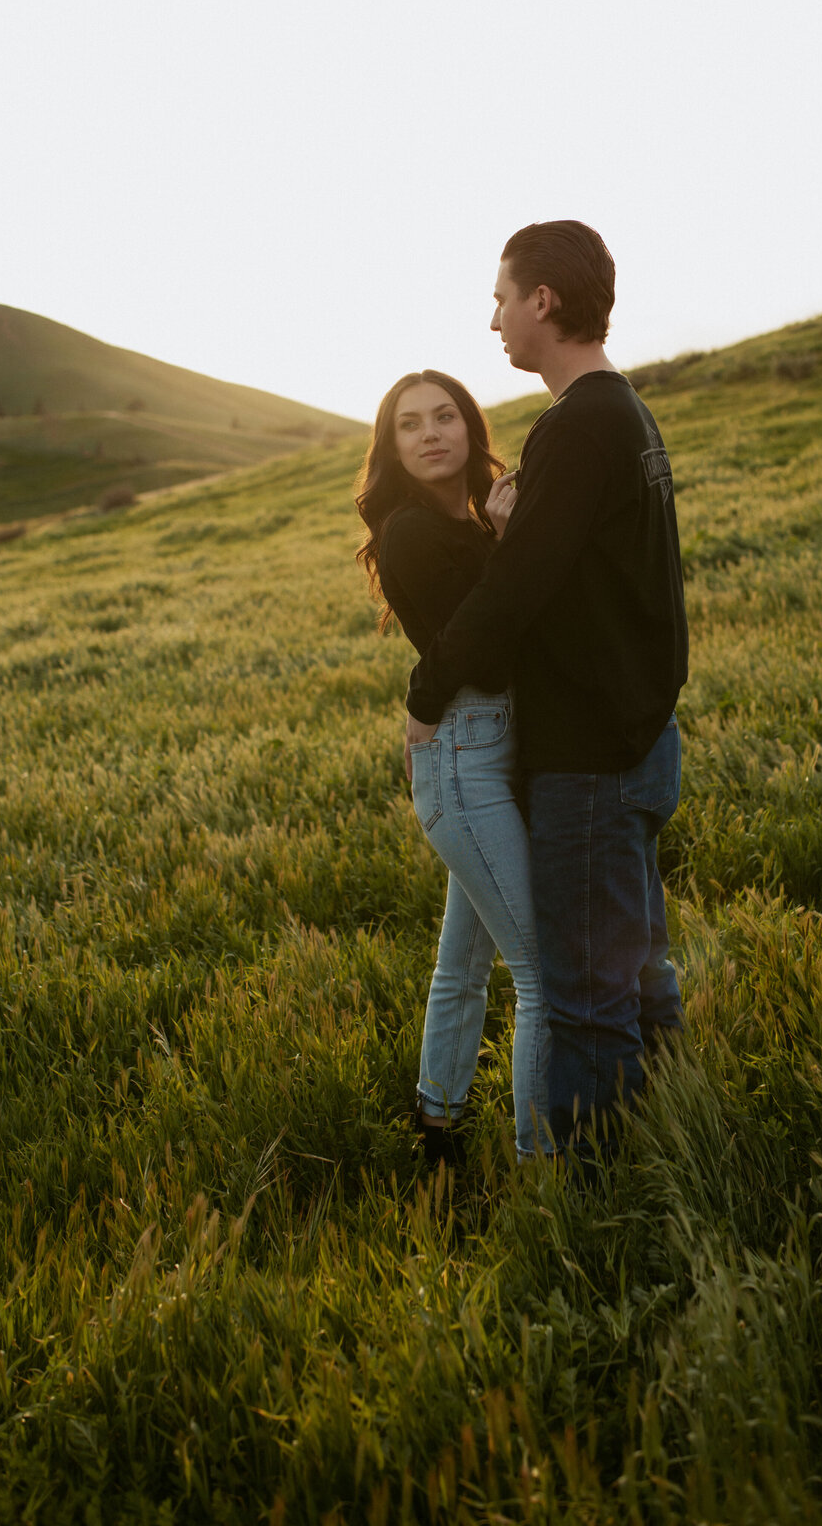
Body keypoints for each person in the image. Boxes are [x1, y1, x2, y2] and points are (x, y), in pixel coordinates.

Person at [404, 222, 689, 1158]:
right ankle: (675, 1132)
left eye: (500, 299)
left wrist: (424, 690)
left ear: (544, 303)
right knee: (638, 967)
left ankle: (596, 1198)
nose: (492, 321)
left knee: (581, 992)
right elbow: (583, 573)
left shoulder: (577, 425)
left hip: (593, 755)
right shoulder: (626, 413)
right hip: (642, 736)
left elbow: (516, 593)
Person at [355, 370, 552, 1164]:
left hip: (486, 746)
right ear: (393, 447)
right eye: (411, 424)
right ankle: (549, 1170)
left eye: (445, 416)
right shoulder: (412, 532)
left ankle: (436, 1128)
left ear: (470, 428)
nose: (432, 432)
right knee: (538, 976)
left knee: (463, 962)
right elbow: (480, 639)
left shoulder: (467, 524)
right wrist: (508, 543)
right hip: (464, 752)